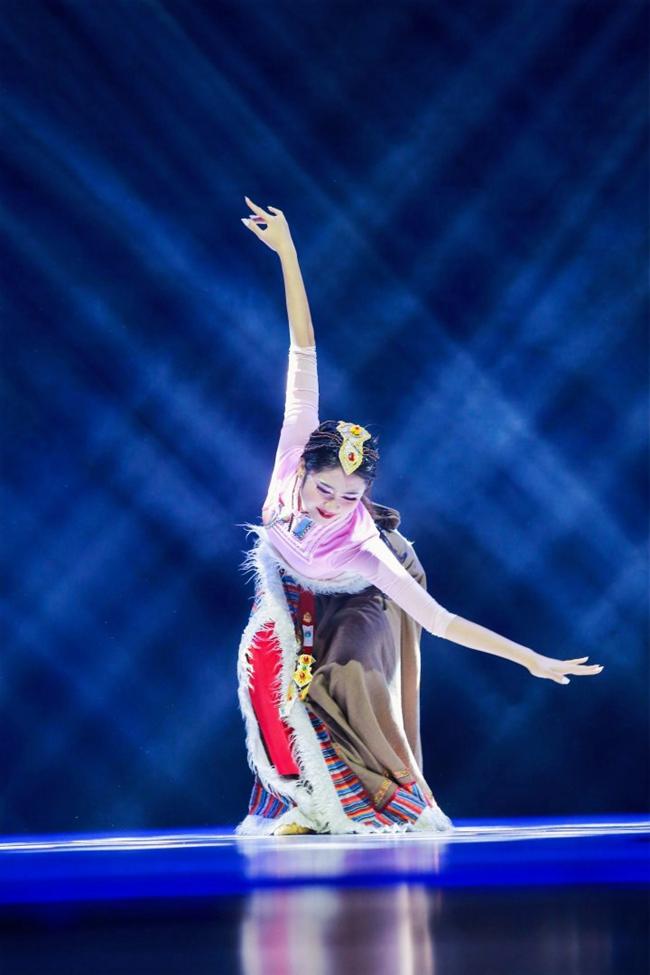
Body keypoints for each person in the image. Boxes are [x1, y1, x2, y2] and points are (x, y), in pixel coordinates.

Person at [235, 196, 604, 836]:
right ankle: (302, 797)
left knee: (344, 679)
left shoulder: (361, 541)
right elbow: (303, 347)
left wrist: (530, 659)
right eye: (325, 489)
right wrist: (289, 254)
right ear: (304, 469)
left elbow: (440, 621)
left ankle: (381, 798)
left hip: (363, 585)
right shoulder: (295, 446)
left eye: (350, 496)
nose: (332, 504)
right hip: (296, 581)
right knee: (266, 670)